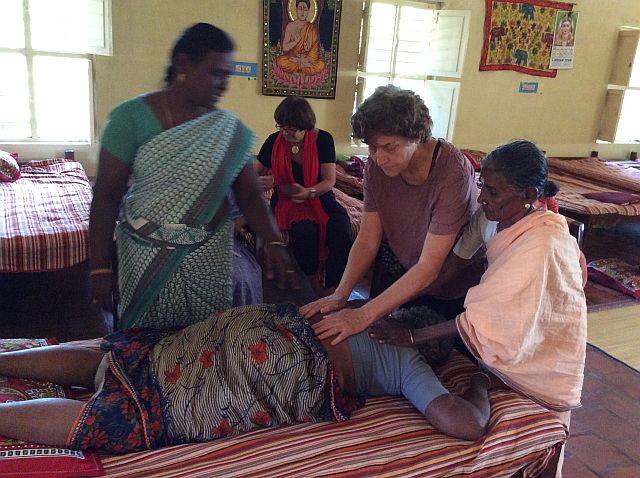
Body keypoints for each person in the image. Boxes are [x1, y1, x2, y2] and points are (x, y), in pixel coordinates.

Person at [0, 303, 491, 454]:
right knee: (144, 414)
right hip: (278, 360)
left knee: (129, 356)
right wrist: (478, 384)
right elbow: (466, 424)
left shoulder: (367, 307)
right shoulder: (411, 363)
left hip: (257, 322)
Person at [89, 23, 297, 330]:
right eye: (216, 73)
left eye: (227, 76)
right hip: (146, 259)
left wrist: (273, 241)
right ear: (183, 64)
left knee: (204, 343)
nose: (223, 85)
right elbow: (106, 196)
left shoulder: (227, 129)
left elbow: (250, 194)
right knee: (146, 343)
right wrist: (100, 268)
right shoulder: (130, 118)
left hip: (207, 260)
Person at [369, 140, 587, 423]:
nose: (481, 198)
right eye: (481, 185)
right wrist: (380, 306)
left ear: (529, 194)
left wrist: (412, 337)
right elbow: (445, 271)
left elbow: (484, 317)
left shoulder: (542, 243)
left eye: (493, 191)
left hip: (541, 341)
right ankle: (486, 381)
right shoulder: (488, 218)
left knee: (541, 423)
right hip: (508, 325)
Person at [302, 85, 477, 345]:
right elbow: (367, 239)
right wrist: (341, 294)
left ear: (416, 136)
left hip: (457, 289)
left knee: (441, 353)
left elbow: (429, 268)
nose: (379, 158)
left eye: (389, 147)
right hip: (412, 280)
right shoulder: (376, 168)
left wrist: (363, 314)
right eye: (372, 148)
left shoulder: (452, 174)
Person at [256, 95, 353, 296]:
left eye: (291, 129)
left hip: (319, 196)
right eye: (281, 127)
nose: (285, 133)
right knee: (305, 233)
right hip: (286, 201)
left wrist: (309, 192)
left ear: (305, 126)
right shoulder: (274, 141)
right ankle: (313, 282)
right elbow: (253, 173)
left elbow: (329, 181)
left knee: (341, 228)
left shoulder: (323, 140)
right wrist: (261, 181)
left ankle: (333, 287)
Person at [276, 0, 325, 76]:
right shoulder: (290, 26)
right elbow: (285, 48)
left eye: (305, 9)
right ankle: (303, 68)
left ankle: (300, 68)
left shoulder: (312, 29)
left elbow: (315, 52)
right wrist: (295, 42)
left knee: (321, 65)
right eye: (300, 8)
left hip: (306, 60)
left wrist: (305, 60)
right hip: (293, 58)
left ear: (308, 11)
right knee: (280, 61)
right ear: (296, 10)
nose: (302, 12)